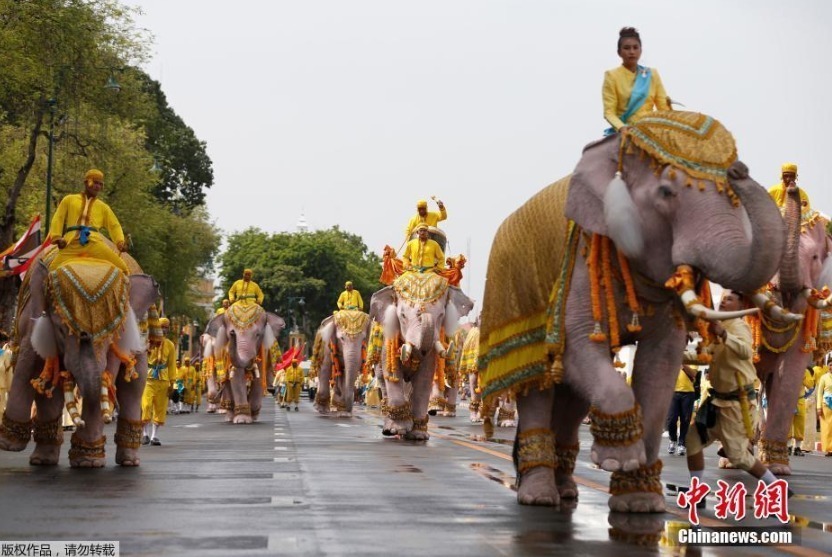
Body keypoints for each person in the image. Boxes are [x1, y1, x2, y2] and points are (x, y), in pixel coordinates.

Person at [685, 291, 785, 497]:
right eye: (722, 298)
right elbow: (704, 355)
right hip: (716, 401)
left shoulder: (739, 326)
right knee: (693, 440)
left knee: (739, 457)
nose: (723, 301)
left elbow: (745, 351)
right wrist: (678, 356)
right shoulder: (718, 328)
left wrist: (723, 334)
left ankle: (776, 488)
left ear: (741, 305)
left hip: (736, 404)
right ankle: (697, 491)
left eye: (730, 299)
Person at [48, 168, 130, 273]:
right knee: (51, 270)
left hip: (94, 244)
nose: (98, 186)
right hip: (72, 244)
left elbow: (114, 225)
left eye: (100, 184)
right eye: (95, 182)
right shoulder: (69, 199)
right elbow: (58, 217)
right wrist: (57, 237)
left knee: (123, 269)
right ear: (86, 182)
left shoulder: (103, 207)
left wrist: (120, 242)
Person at [602, 27, 672, 135]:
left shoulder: (652, 74)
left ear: (641, 50)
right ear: (619, 52)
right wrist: (621, 127)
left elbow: (663, 108)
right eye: (627, 48)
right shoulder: (612, 76)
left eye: (635, 47)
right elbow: (609, 112)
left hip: (651, 128)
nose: (632, 52)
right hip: (626, 130)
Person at [141, 313, 177, 446]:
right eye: (162, 327)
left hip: (163, 379)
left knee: (160, 408)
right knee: (146, 405)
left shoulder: (170, 345)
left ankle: (154, 436)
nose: (165, 330)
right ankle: (144, 433)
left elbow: (172, 364)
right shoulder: (148, 342)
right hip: (148, 378)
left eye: (167, 327)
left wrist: (173, 383)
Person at [666, 365, 699, 456]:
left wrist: (683, 363)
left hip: (688, 393)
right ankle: (672, 440)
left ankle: (682, 443)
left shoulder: (691, 358)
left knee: (685, 419)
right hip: (673, 392)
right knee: (671, 419)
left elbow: (693, 374)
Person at [789, 366, 815, 456]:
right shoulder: (787, 369)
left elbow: (810, 385)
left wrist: (803, 377)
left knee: (800, 424)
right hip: (788, 400)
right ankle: (788, 446)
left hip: (800, 400)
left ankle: (797, 447)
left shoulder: (806, 371)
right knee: (788, 424)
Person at [816, 365, 832, 456]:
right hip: (826, 404)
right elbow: (819, 393)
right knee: (827, 427)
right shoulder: (824, 377)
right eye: (830, 365)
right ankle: (828, 449)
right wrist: (819, 407)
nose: (831, 367)